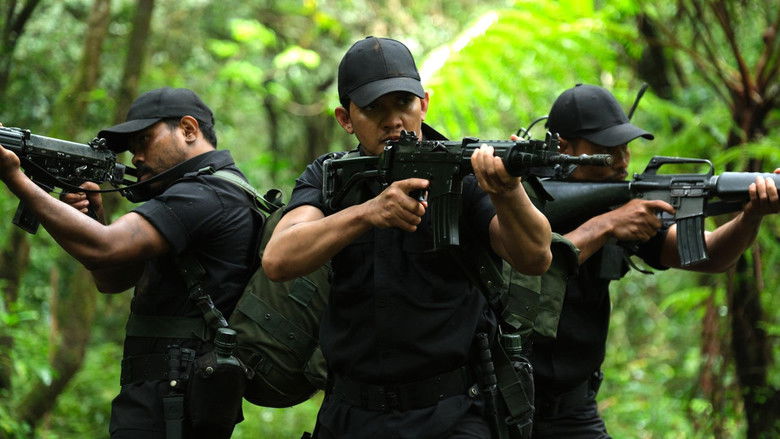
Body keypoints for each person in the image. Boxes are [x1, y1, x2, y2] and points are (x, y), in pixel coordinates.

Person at [262, 36, 553, 438]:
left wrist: (508, 192)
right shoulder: (329, 176)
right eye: (373, 108)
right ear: (345, 118)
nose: (393, 120)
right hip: (351, 414)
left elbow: (535, 257)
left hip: (451, 414)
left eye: (403, 103)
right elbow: (278, 259)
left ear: (424, 104)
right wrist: (368, 212)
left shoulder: (462, 170)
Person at [0, 87, 262, 438]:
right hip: (166, 393)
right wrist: (95, 220)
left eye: (144, 140)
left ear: (188, 129)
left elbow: (103, 248)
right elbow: (112, 279)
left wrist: (15, 177)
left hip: (175, 398)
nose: (136, 157)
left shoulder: (206, 192)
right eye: (132, 147)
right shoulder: (203, 190)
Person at [531, 83, 780, 438]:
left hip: (573, 408)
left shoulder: (620, 202)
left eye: (624, 147)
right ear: (563, 147)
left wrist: (751, 215)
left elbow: (709, 254)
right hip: (499, 402)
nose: (622, 161)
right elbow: (534, 263)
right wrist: (606, 225)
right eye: (606, 149)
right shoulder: (520, 200)